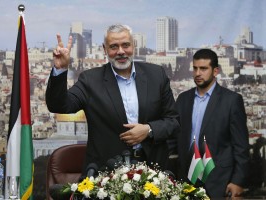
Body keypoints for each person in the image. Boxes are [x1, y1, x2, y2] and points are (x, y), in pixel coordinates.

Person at [46, 24, 180, 173]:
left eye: (126, 45)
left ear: (133, 46)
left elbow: (173, 121)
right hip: (107, 173)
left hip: (154, 170)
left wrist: (149, 130)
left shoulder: (156, 75)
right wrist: (60, 69)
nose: (121, 51)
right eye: (114, 47)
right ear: (105, 50)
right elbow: (59, 106)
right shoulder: (90, 80)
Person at [175, 49, 250, 198]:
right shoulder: (183, 99)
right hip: (185, 179)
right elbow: (175, 137)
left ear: (215, 71)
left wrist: (238, 181)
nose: (197, 73)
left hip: (219, 181)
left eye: (203, 69)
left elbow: (241, 146)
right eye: (195, 68)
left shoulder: (232, 100)